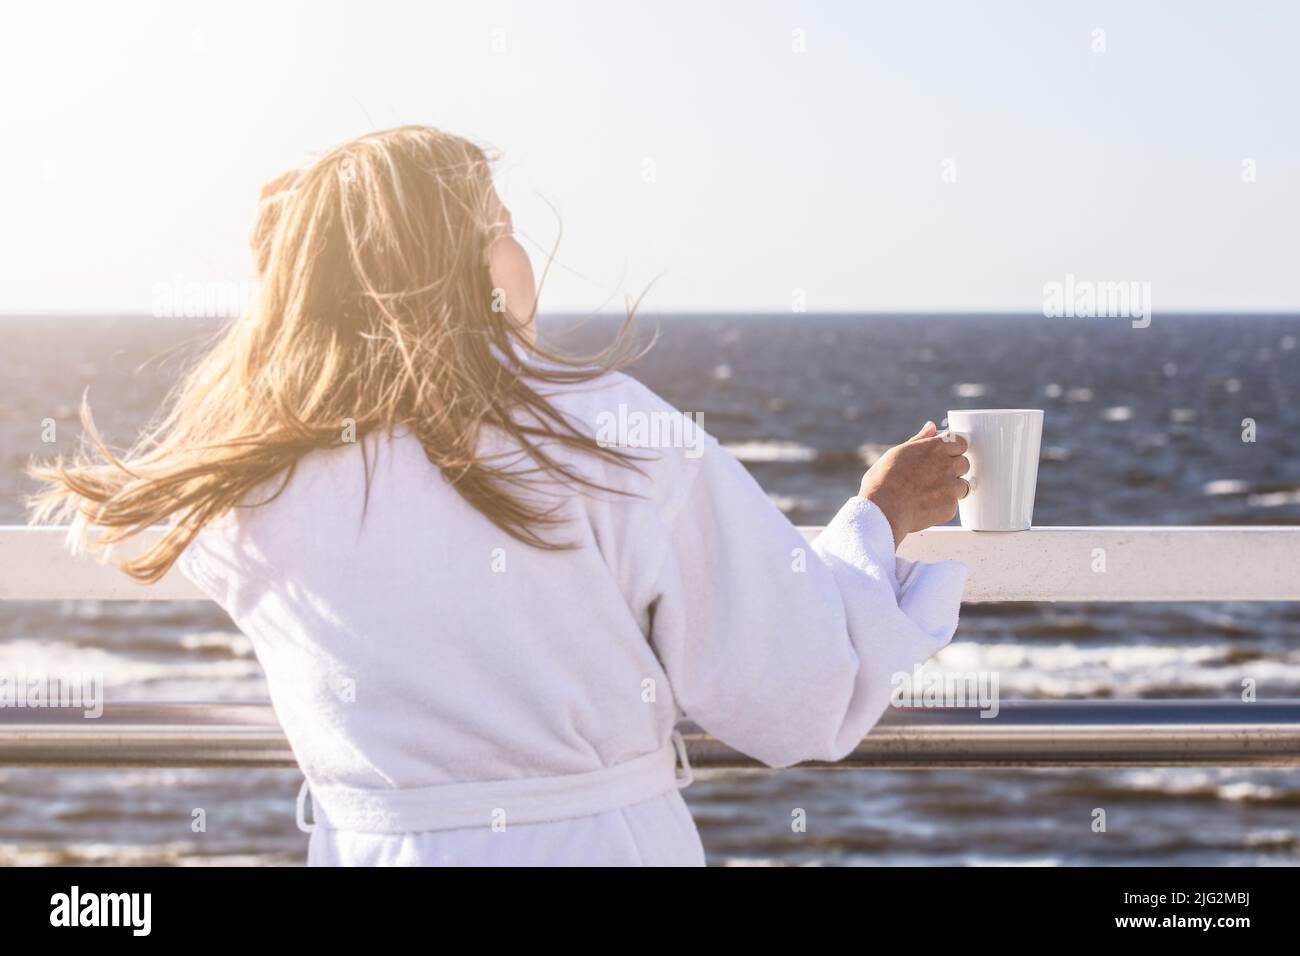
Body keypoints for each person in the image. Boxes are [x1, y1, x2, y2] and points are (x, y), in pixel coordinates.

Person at [28, 125, 970, 866]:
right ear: (457, 267)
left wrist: (297, 269)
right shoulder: (601, 427)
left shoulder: (244, 474)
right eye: (496, 227)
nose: (517, 248)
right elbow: (792, 700)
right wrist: (876, 521)